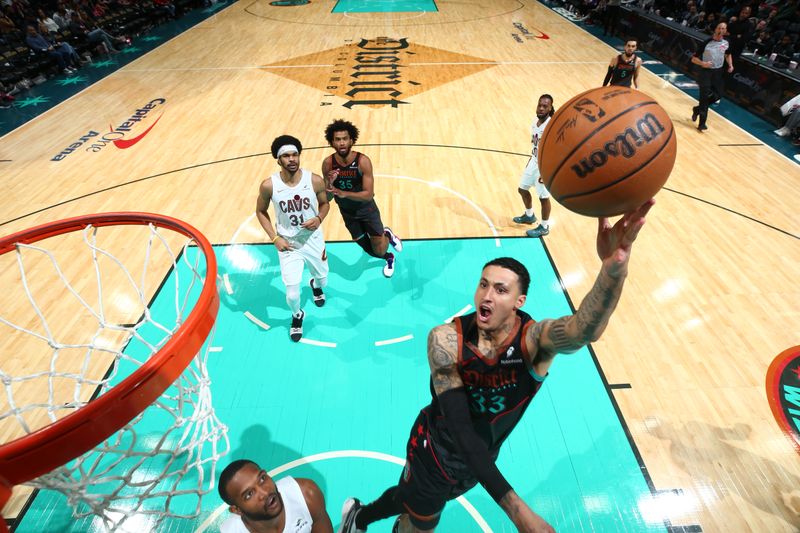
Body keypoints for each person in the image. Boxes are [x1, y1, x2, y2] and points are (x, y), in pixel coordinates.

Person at [338, 199, 655, 533]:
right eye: (483, 284)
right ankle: (364, 520)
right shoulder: (445, 341)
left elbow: (584, 330)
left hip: (479, 462)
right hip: (435, 451)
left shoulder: (534, 342)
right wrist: (518, 512)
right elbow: (461, 429)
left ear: (520, 302)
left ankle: (359, 515)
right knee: (420, 523)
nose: (486, 295)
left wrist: (613, 268)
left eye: (500, 289)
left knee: (411, 498)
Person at [256, 135, 330, 342]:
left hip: (313, 239)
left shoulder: (314, 180)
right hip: (288, 245)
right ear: (278, 160)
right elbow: (260, 212)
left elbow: (325, 204)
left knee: (324, 280)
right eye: (286, 156)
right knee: (292, 295)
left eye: (295, 154)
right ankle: (297, 315)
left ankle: (315, 283)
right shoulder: (269, 185)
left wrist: (319, 217)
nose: (292, 159)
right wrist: (274, 238)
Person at [321, 119, 402, 278]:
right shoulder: (328, 164)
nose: (342, 143)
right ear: (332, 142)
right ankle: (388, 257)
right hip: (347, 213)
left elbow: (368, 194)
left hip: (367, 211)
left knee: (378, 249)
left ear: (352, 140)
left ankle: (387, 236)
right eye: (338, 139)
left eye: (345, 139)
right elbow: (327, 198)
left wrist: (345, 194)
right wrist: (329, 183)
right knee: (368, 248)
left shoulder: (362, 161)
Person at [218, 459, 334, 533]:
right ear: (237, 510)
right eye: (249, 494)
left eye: (262, 479)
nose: (265, 493)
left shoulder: (306, 494)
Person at [512, 94, 555, 238]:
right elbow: (535, 144)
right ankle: (529, 216)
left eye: (545, 106)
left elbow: (557, 149)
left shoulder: (551, 126)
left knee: (543, 197)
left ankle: (544, 226)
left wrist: (547, 170)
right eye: (540, 105)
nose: (541, 108)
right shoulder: (534, 122)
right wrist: (531, 159)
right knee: (522, 189)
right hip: (533, 161)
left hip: (544, 166)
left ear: (550, 108)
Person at [691, 22, 734, 132]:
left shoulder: (726, 42)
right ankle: (702, 124)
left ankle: (697, 109)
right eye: (719, 28)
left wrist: (730, 64)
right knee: (704, 97)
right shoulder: (707, 42)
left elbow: (728, 54)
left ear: (726, 31)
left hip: (718, 72)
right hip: (706, 72)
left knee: (718, 95)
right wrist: (702, 63)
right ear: (715, 29)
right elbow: (693, 58)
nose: (721, 30)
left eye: (723, 28)